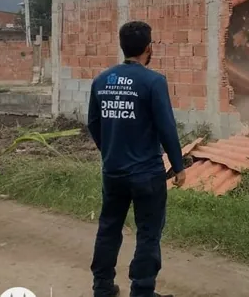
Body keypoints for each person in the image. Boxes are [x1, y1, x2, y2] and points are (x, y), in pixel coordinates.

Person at [87, 21, 186, 297]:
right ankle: (142, 291)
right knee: (148, 232)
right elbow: (166, 127)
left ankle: (102, 288)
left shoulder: (101, 80)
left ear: (123, 47)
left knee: (109, 227)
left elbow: (93, 123)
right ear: (148, 48)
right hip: (147, 174)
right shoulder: (154, 81)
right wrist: (178, 167)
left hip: (113, 171)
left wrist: (109, 150)